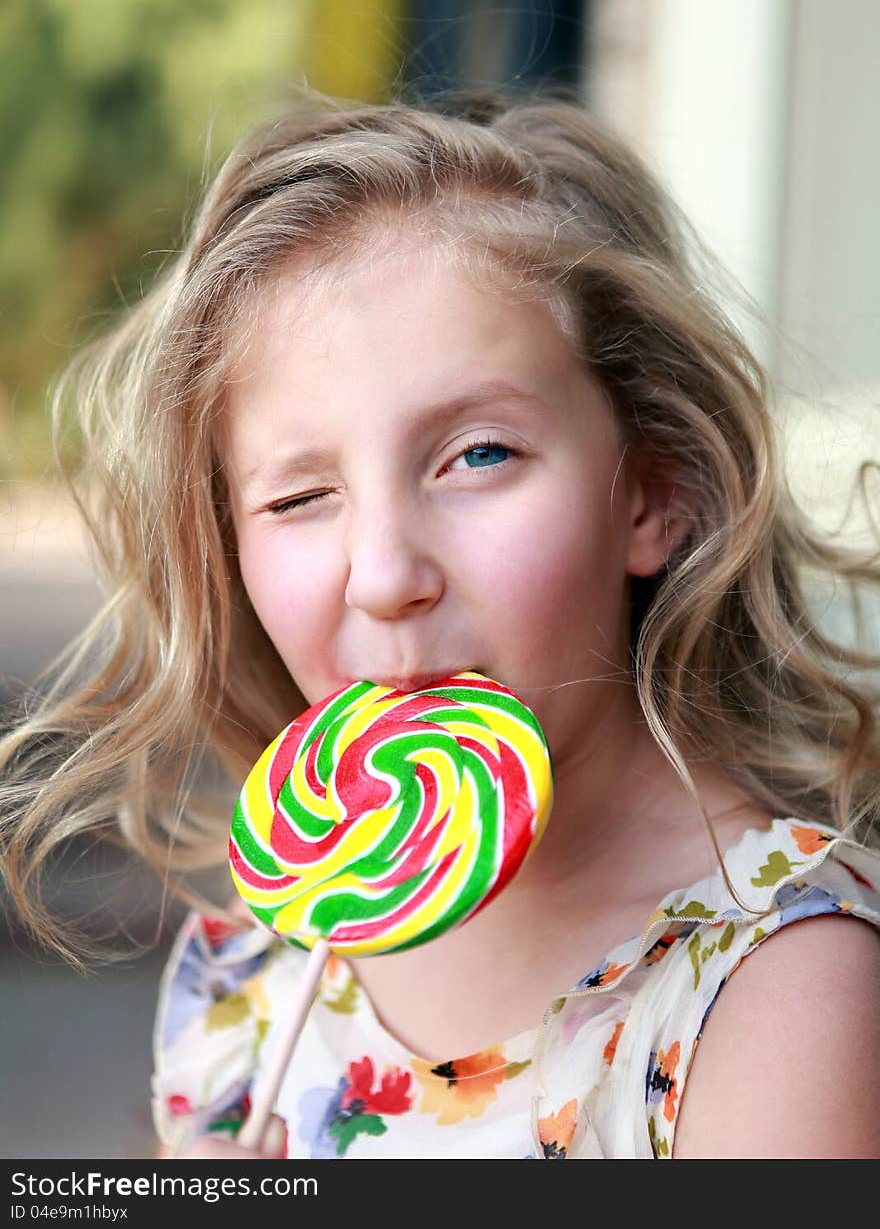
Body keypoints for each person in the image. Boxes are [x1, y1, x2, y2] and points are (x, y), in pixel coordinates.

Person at [2, 88, 880, 1161]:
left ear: (652, 489)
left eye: (477, 456)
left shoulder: (778, 987)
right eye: (295, 496)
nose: (383, 576)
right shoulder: (255, 971)